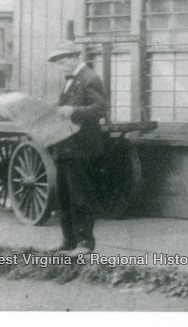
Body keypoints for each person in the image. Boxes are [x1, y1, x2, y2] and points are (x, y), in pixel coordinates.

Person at [49, 42, 107, 254]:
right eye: (57, 64)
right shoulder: (69, 81)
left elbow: (100, 109)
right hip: (65, 147)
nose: (60, 67)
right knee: (63, 196)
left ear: (75, 57)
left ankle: (85, 243)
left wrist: (72, 110)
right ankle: (69, 241)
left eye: (62, 62)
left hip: (82, 148)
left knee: (80, 195)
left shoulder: (90, 78)